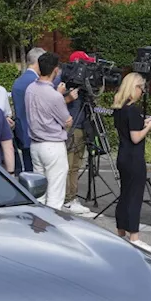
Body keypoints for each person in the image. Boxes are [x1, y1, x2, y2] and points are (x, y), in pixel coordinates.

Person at [113, 72, 151, 252]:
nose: (142, 92)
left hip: (122, 155)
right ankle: (134, 236)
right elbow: (135, 137)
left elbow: (130, 127)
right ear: (135, 87)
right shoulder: (133, 109)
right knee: (135, 196)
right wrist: (148, 127)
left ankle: (120, 232)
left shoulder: (119, 107)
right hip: (134, 157)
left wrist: (142, 123)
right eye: (141, 88)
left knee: (124, 194)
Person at [25, 52, 73, 207]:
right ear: (55, 70)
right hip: (52, 145)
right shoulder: (55, 96)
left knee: (40, 192)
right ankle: (52, 226)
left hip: (35, 144)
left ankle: (38, 225)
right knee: (55, 192)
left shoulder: (30, 89)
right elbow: (67, 121)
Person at [62, 51, 91, 214]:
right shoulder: (65, 84)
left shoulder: (83, 87)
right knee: (68, 165)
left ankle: (72, 196)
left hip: (82, 127)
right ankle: (67, 198)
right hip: (71, 128)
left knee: (75, 166)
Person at [11, 47, 45, 174]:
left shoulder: (18, 82)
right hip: (38, 135)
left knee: (29, 174)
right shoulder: (37, 82)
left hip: (23, 133)